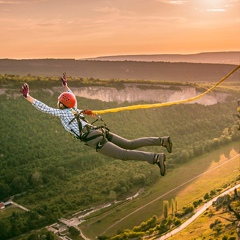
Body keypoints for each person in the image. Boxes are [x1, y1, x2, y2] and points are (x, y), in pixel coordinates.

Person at [20, 73, 172, 176]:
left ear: (61, 104)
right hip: (99, 131)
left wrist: (28, 97)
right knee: (130, 144)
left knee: (124, 155)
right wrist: (66, 86)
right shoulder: (73, 108)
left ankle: (155, 157)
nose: (58, 103)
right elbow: (72, 98)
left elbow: (44, 108)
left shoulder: (63, 113)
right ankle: (162, 141)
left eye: (59, 102)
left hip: (95, 139)